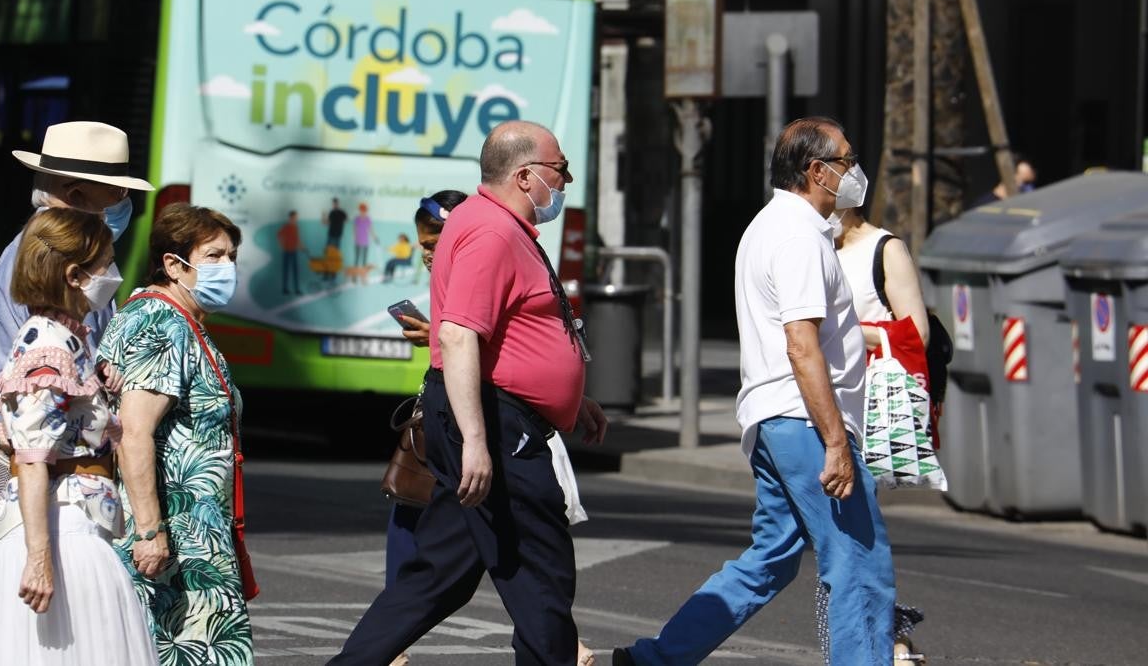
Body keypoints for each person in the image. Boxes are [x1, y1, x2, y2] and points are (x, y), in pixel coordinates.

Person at [614, 117, 896, 666]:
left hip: (775, 422)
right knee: (860, 564)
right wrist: (836, 442)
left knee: (772, 557)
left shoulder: (773, 227)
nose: (855, 172)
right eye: (847, 160)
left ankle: (656, 658)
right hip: (804, 423)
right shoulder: (797, 237)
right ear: (817, 171)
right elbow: (801, 345)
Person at [329, 120, 608, 666]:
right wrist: (477, 440)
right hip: (495, 422)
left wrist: (574, 399)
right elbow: (458, 334)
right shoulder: (491, 231)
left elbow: (514, 333)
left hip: (495, 413)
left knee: (440, 575)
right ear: (526, 176)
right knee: (540, 572)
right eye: (560, 169)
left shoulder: (498, 225)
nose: (566, 179)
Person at [0, 208, 159, 665]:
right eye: (106, 264)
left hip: (76, 525)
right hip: (63, 532)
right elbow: (34, 457)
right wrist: (40, 559)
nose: (113, 275)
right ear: (74, 275)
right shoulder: (48, 347)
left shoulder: (64, 340)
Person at [97, 204, 254, 664]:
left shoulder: (180, 322)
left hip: (193, 534)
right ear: (173, 264)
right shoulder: (163, 325)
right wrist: (150, 531)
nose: (227, 268)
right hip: (175, 540)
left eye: (231, 256)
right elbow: (135, 431)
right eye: (214, 256)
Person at [0, 121, 153, 517]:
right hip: (34, 440)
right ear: (75, 195)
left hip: (64, 439)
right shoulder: (38, 260)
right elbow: (34, 377)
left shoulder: (82, 261)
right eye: (115, 194)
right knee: (37, 564)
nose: (123, 203)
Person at [832, 204, 931, 666]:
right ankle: (887, 641)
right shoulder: (814, 243)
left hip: (872, 406)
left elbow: (916, 333)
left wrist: (844, 331)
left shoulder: (884, 248)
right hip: (820, 403)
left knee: (852, 534)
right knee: (843, 536)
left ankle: (888, 641)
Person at [971, 155, 1037, 207]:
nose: (1029, 188)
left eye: (1030, 183)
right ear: (1007, 178)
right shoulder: (984, 207)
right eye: (1025, 183)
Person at [278, 210, 306, 294]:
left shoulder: (296, 227)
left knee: (295, 271)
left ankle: (297, 289)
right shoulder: (286, 227)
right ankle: (285, 288)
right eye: (295, 217)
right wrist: (282, 245)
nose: (296, 219)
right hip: (287, 251)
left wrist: (302, 247)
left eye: (296, 217)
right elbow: (279, 235)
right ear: (291, 217)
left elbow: (297, 240)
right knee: (286, 271)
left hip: (294, 251)